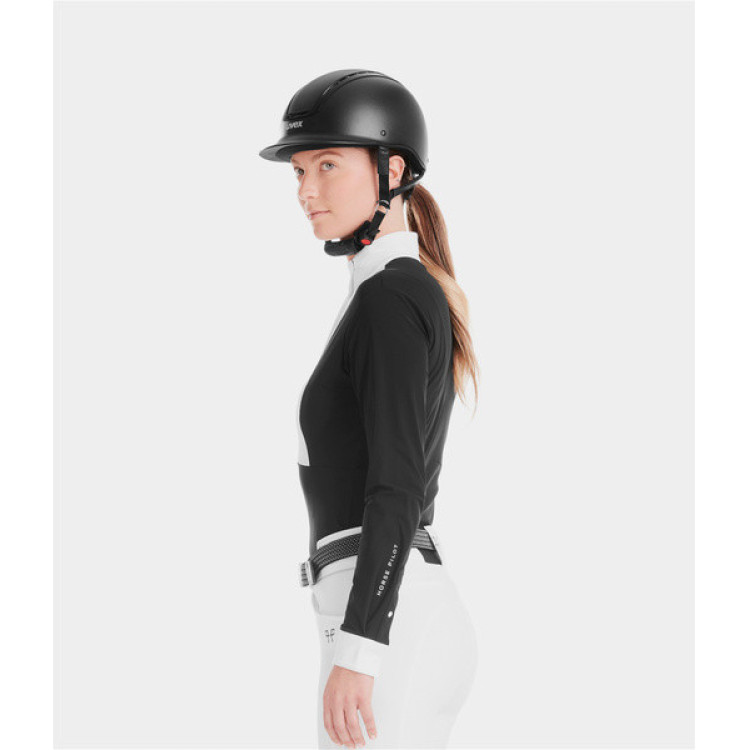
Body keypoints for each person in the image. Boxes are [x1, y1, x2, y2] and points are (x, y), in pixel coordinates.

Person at [259, 69, 480, 749]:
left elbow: (398, 485)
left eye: (327, 164)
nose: (306, 190)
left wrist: (360, 649)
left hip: (390, 622)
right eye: (299, 171)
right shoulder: (385, 292)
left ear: (393, 170)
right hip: (393, 616)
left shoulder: (390, 297)